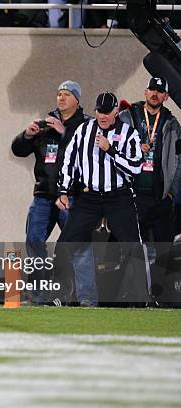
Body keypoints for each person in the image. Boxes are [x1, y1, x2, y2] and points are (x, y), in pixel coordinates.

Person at [57, 92, 146, 305]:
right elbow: (69, 160)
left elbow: (135, 167)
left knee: (133, 245)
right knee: (65, 243)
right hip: (90, 196)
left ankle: (140, 297)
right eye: (99, 111)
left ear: (116, 111)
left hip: (118, 196)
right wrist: (63, 190)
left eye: (107, 112)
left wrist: (111, 150)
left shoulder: (128, 133)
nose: (102, 116)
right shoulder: (84, 130)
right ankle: (60, 294)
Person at [11, 80, 91, 303]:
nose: (61, 98)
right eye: (59, 94)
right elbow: (18, 150)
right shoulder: (46, 123)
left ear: (77, 99)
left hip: (73, 195)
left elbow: (86, 156)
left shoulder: (85, 125)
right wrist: (26, 135)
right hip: (44, 195)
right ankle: (38, 296)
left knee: (76, 246)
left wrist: (65, 134)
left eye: (66, 94)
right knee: (34, 241)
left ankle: (81, 297)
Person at [118, 77, 181, 243]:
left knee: (163, 249)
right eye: (152, 89)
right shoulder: (126, 117)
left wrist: (171, 191)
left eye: (160, 91)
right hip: (133, 194)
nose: (155, 94)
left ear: (166, 96)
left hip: (160, 196)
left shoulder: (172, 124)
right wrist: (135, 150)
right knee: (135, 250)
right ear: (145, 91)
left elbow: (178, 161)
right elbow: (112, 149)